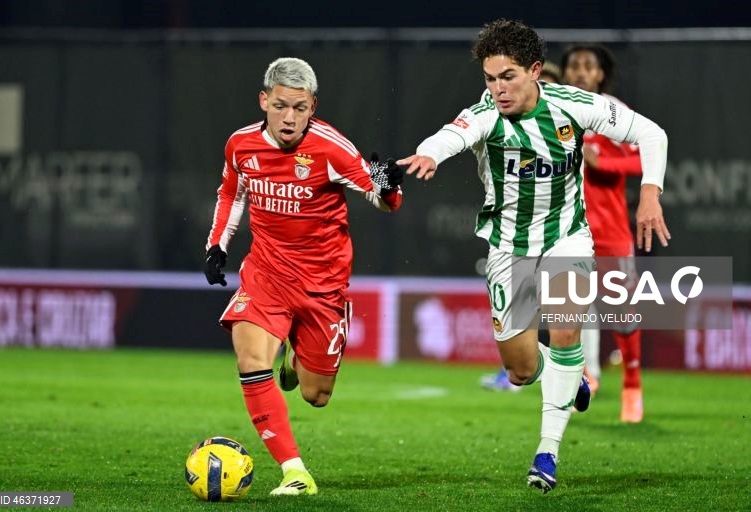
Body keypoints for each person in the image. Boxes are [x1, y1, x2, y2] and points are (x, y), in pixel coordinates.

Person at [398, 19, 669, 493]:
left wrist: (649, 194)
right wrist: (429, 155)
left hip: (568, 238)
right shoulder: (486, 113)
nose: (497, 89)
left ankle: (547, 452)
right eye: (489, 77)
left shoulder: (574, 104)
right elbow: (450, 136)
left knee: (566, 330)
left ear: (536, 71)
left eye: (508, 77)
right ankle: (570, 381)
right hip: (508, 248)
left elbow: (653, 135)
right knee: (521, 370)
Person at [203, 57, 403, 497]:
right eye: (279, 106)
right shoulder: (240, 145)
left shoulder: (331, 147)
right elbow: (230, 194)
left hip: (322, 287)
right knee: (250, 358)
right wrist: (217, 244)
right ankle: (295, 472)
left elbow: (384, 199)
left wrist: (388, 186)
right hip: (266, 275)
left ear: (313, 106)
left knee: (316, 395)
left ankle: (295, 360)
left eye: (299, 107)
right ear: (263, 100)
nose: (289, 117)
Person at [562, 43, 646, 423]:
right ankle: (582, 378)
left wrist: (605, 162)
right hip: (564, 232)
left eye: (588, 66)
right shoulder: (553, 110)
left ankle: (632, 382)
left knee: (622, 313)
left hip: (610, 232)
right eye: (573, 65)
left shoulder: (611, 113)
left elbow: (648, 153)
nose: (580, 71)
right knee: (566, 311)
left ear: (600, 75)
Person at [479, 60, 562, 394]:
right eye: (493, 79)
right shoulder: (493, 116)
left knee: (565, 315)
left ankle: (575, 368)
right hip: (511, 237)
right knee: (520, 370)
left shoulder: (569, 123)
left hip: (562, 233)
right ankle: (562, 369)